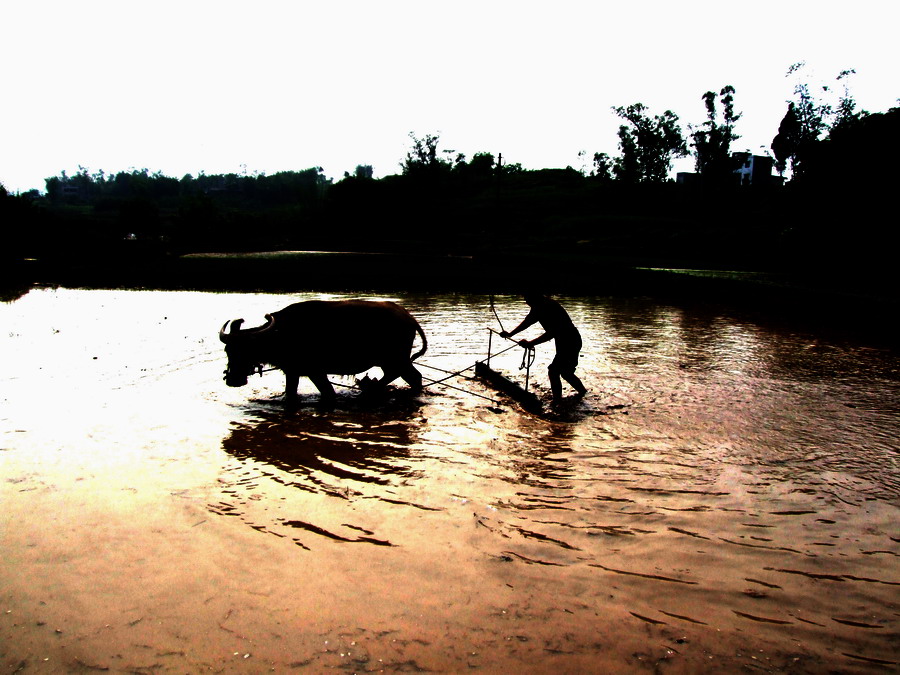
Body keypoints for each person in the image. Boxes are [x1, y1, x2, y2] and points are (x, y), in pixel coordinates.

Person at [500, 293, 588, 401]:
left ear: (535, 298)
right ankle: (582, 393)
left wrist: (531, 343)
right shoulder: (538, 306)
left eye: (527, 298)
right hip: (563, 340)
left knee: (554, 371)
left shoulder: (548, 306)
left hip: (570, 340)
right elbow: (528, 321)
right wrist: (510, 334)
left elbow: (552, 332)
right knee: (565, 372)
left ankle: (557, 401)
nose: (526, 301)